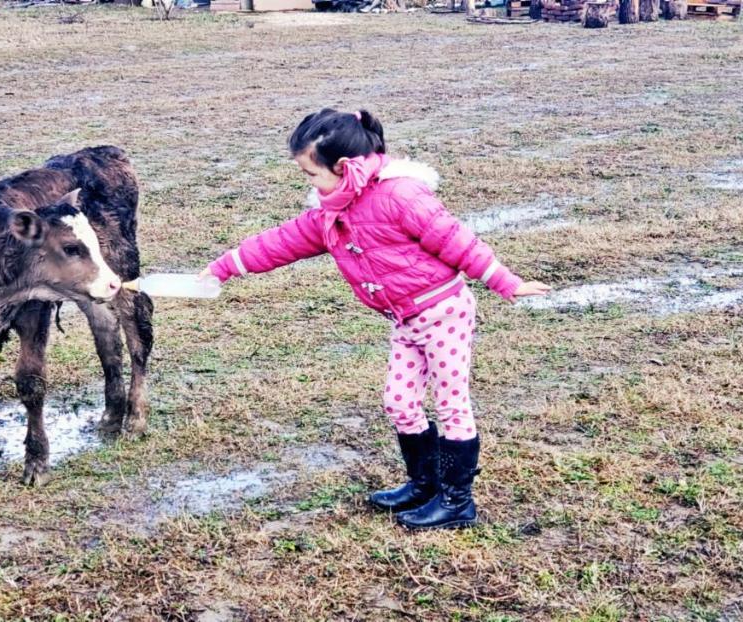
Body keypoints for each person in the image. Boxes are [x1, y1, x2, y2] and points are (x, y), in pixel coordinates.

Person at [202, 108, 551, 530]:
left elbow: (459, 242)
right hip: (405, 320)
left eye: (311, 174)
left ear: (344, 167)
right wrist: (224, 266)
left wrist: (505, 282)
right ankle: (424, 484)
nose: (308, 183)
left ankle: (458, 502)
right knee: (399, 403)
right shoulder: (332, 212)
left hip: (444, 313)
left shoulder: (402, 196)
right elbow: (282, 242)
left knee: (451, 405)